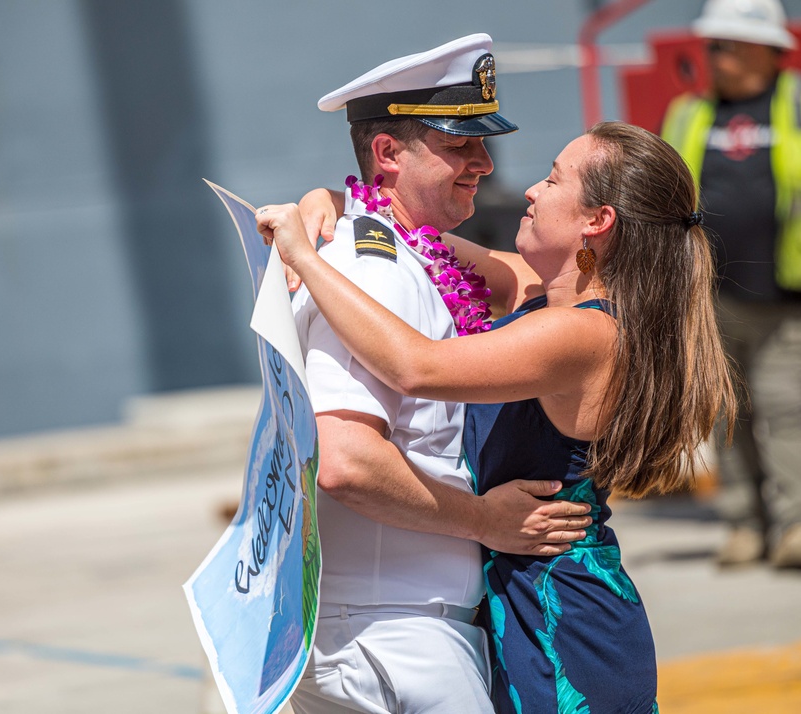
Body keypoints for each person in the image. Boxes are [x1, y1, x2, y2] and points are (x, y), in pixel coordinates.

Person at [258, 120, 737, 713]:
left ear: (597, 221)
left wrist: (305, 257)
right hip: (516, 598)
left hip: (560, 613)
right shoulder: (544, 290)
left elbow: (416, 366)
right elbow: (409, 237)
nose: (530, 190)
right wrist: (328, 202)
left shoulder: (584, 333)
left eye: (553, 179)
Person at [279, 35, 593, 713]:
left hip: (397, 627)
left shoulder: (402, 258)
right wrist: (486, 521)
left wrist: (339, 199)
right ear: (389, 154)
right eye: (459, 146)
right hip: (389, 639)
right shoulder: (373, 274)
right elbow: (347, 463)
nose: (483, 163)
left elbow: (521, 279)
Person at [661, 0, 801, 570]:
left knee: (782, 410)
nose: (714, 57)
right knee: (729, 414)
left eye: (724, 45)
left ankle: (799, 526)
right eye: (711, 46)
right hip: (708, 299)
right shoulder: (688, 113)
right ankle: (744, 526)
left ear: (765, 50)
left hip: (789, 299)